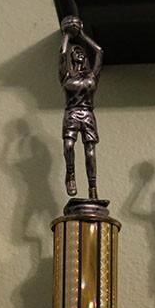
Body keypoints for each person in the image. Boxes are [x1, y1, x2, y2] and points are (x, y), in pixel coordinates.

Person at [59, 16, 103, 200]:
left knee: (89, 149)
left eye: (81, 52)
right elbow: (62, 54)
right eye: (75, 52)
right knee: (69, 145)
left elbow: (99, 51)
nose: (78, 53)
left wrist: (82, 34)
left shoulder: (92, 75)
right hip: (71, 112)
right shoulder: (67, 75)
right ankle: (70, 174)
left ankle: (92, 186)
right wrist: (67, 35)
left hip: (87, 113)